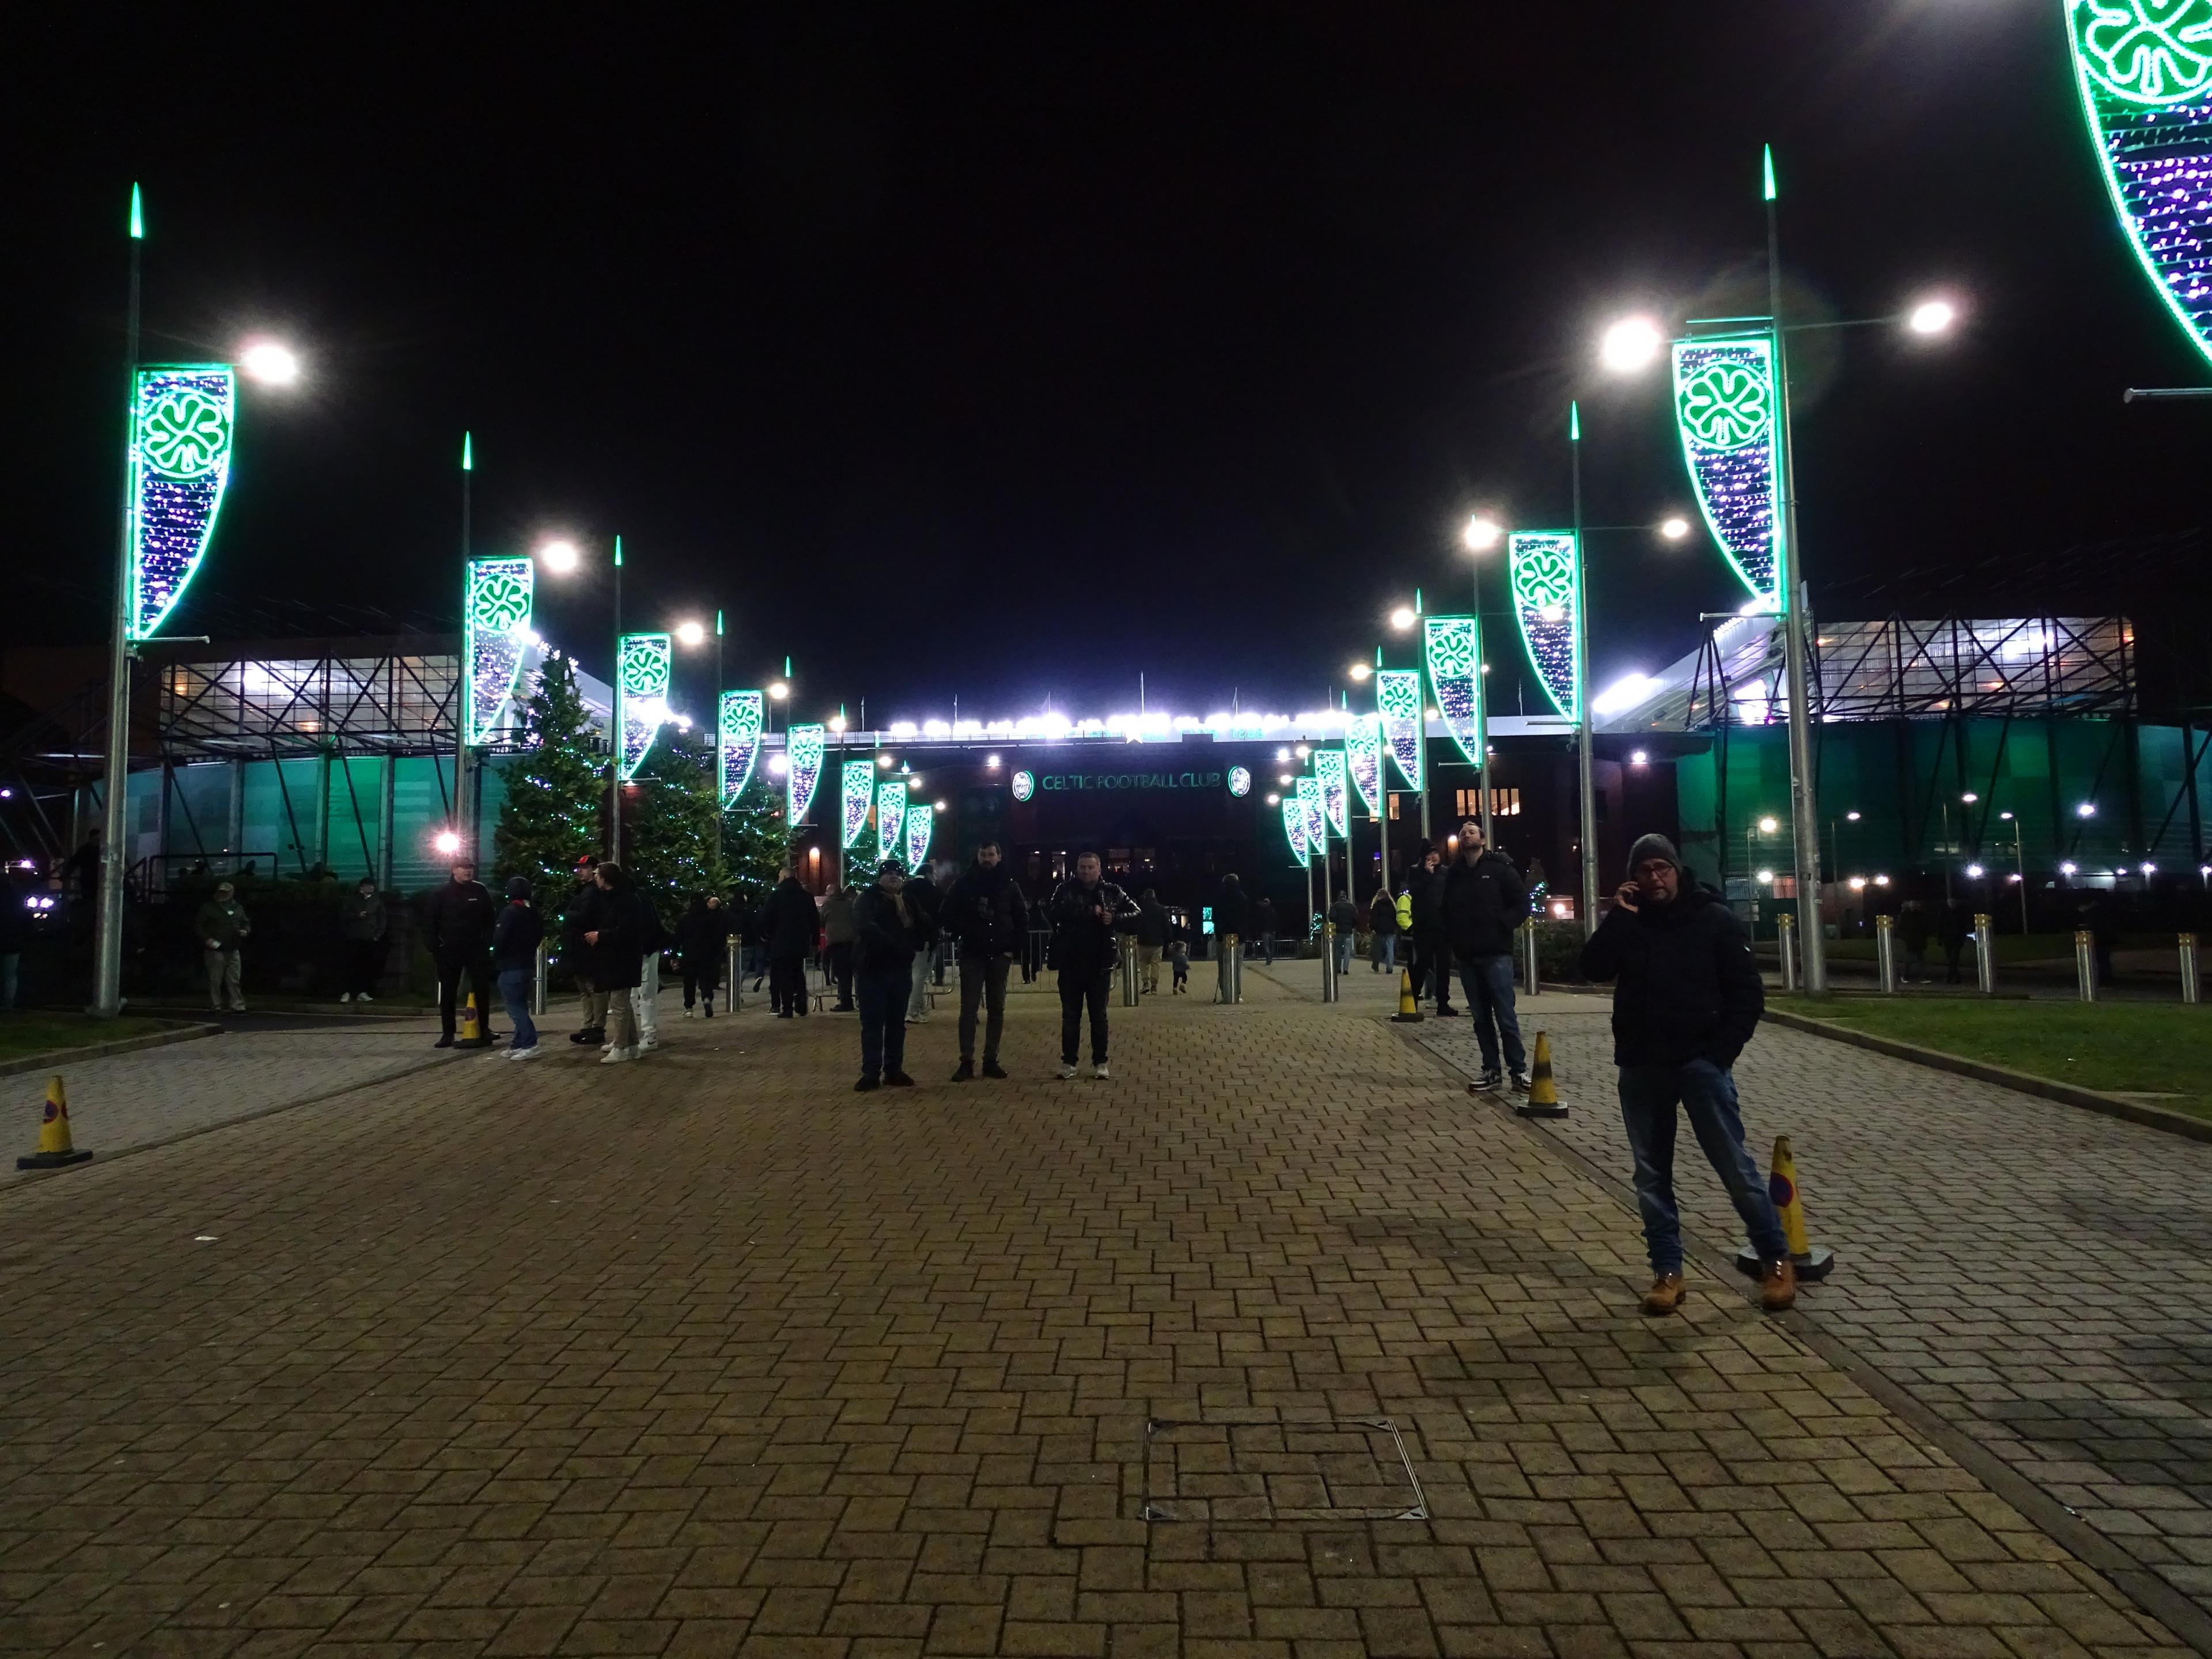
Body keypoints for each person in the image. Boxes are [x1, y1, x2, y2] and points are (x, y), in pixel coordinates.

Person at [1581, 833, 1794, 1315]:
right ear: (1632, 878)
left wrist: (1718, 1055)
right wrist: (1619, 916)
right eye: (1644, 871)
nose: (1654, 879)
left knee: (1734, 1168)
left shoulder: (1713, 919)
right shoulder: (1629, 922)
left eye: (1662, 868)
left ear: (1677, 869)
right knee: (1651, 1176)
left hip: (1700, 1065)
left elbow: (1747, 995)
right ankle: (1667, 1272)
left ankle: (1776, 1259)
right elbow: (1591, 968)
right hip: (1641, 1064)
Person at [1442, 819, 1529, 1091]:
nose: (1466, 836)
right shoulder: (1454, 874)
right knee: (1480, 1019)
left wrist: (1502, 924)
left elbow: (1522, 902)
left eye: (1472, 832)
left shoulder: (1500, 869)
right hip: (1468, 956)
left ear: (1482, 840)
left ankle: (1519, 1071)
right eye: (1462, 833)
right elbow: (1445, 909)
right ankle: (1491, 1070)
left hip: (1496, 955)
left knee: (1506, 1016)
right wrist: (1455, 937)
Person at [940, 838, 1030, 1080]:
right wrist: (966, 931)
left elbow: (1022, 918)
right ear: (977, 856)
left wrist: (1013, 949)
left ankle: (991, 1060)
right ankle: (966, 1061)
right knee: (968, 1010)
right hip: (973, 954)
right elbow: (946, 914)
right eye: (983, 854)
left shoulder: (1010, 886)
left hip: (1000, 955)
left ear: (999, 857)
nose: (987, 859)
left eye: (991, 854)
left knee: (997, 1009)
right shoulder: (964, 884)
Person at [1050, 852, 1135, 1077]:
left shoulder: (1112, 892)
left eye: (1090, 867)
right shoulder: (1065, 890)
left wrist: (1115, 918)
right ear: (1076, 869)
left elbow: (1136, 913)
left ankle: (1101, 1062)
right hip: (1070, 963)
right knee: (1070, 1016)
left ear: (1099, 869)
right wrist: (1089, 912)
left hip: (1100, 963)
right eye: (1082, 867)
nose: (1086, 871)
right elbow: (1054, 912)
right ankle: (1069, 1063)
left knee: (1099, 1016)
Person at [851, 858, 921, 1091]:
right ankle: (871, 1072)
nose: (894, 877)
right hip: (872, 970)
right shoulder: (867, 899)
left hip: (900, 971)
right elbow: (866, 926)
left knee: (896, 1024)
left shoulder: (908, 901)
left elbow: (921, 924)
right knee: (872, 1024)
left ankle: (894, 1070)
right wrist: (895, 945)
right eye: (889, 873)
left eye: (898, 874)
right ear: (880, 877)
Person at [423, 859, 498, 1048]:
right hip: (449, 950)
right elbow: (430, 921)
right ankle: (448, 1033)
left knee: (481, 989)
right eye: (463, 868)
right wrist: (435, 946)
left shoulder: (479, 890)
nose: (468, 872)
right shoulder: (441, 893)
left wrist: (487, 943)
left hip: (475, 949)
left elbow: (490, 919)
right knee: (448, 992)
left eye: (470, 868)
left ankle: (484, 1029)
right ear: (454, 870)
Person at [584, 862, 644, 1062]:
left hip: (623, 959)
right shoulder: (616, 898)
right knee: (622, 1004)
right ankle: (632, 1045)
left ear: (606, 879)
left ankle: (620, 1047)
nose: (596, 879)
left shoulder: (626, 900)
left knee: (619, 1004)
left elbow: (627, 930)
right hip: (616, 958)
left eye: (598, 876)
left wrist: (601, 935)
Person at [493, 877, 544, 1060]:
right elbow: (539, 934)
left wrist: (495, 954)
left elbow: (500, 939)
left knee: (515, 1008)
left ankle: (530, 1043)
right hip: (528, 964)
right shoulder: (533, 912)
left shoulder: (509, 912)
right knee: (521, 1005)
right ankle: (518, 1043)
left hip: (511, 965)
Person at [1408, 846, 1456, 1017]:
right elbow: (1414, 891)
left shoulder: (1447, 872)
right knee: (1422, 963)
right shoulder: (1415, 872)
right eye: (1429, 854)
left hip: (1443, 926)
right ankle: (1411, 1001)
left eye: (1435, 853)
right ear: (1423, 858)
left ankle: (1443, 1003)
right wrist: (1428, 876)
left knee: (1444, 966)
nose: (1433, 857)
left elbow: (1452, 894)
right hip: (1424, 926)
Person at [563, 857, 607, 1045]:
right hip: (579, 948)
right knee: (584, 989)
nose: (580, 871)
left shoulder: (593, 892)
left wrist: (569, 914)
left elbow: (585, 916)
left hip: (589, 948)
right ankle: (588, 1026)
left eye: (585, 868)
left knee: (594, 988)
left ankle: (597, 1027)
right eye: (579, 868)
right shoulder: (584, 892)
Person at [764, 866, 817, 1017]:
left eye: (780, 876)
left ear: (786, 877)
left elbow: (767, 918)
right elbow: (814, 919)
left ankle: (787, 1008)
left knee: (784, 975)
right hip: (800, 942)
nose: (778, 878)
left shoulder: (777, 896)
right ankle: (801, 1000)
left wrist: (768, 934)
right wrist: (814, 940)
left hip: (781, 942)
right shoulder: (806, 896)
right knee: (798, 971)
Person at [195, 879, 251, 1014]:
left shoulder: (238, 908)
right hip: (215, 949)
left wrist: (246, 930)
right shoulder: (208, 908)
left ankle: (237, 1004)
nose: (223, 894)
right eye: (221, 892)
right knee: (216, 978)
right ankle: (216, 1004)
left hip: (233, 947)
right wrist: (207, 939)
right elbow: (198, 926)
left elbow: (245, 922)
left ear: (232, 893)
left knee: (234, 978)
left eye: (226, 892)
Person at [905, 863, 947, 1024]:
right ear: (930, 874)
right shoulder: (933, 891)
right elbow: (942, 913)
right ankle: (913, 1011)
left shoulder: (905, 888)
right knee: (920, 974)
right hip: (926, 937)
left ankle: (920, 1007)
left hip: (906, 937)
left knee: (913, 972)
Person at [678, 894, 730, 1017]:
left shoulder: (684, 918)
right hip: (707, 955)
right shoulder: (711, 918)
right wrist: (717, 952)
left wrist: (674, 955)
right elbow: (718, 937)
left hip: (689, 954)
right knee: (706, 980)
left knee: (689, 982)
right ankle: (707, 998)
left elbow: (678, 938)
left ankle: (689, 1007)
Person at [338, 877, 386, 1003]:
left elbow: (382, 919)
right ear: (361, 887)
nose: (370, 888)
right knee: (351, 965)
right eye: (367, 885)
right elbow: (344, 917)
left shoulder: (377, 901)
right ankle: (347, 992)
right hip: (354, 936)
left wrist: (378, 935)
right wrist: (357, 917)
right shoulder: (352, 900)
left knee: (367, 966)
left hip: (370, 938)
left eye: (371, 885)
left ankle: (362, 992)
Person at [632, 888, 666, 1050]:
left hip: (644, 950)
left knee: (645, 991)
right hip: (641, 950)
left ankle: (649, 1035)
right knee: (634, 994)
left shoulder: (635, 898)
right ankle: (631, 1036)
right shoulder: (637, 896)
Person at [821, 884, 857, 1010]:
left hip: (836, 942)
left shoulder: (829, 903)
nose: (826, 893)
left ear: (832, 892)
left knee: (841, 973)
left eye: (827, 890)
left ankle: (845, 1002)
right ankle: (847, 1000)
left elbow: (822, 919)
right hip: (850, 941)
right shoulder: (849, 903)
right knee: (848, 972)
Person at [0, 863, 26, 1010]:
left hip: (7, 937)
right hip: (13, 940)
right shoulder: (16, 896)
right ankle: (9, 1003)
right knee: (11, 974)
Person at [1134, 887, 1169, 995]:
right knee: (1155, 964)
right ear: (1154, 896)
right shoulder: (1161, 909)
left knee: (1143, 963)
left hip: (1143, 941)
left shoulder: (1140, 909)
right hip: (1157, 942)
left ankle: (1145, 984)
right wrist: (1169, 938)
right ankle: (1154, 986)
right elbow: (1166, 926)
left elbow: (1135, 923)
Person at [1369, 880, 1400, 973]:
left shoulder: (1377, 905)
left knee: (1377, 948)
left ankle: (1376, 966)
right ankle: (1390, 968)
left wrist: (1373, 928)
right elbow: (1395, 917)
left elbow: (1373, 918)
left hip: (1379, 929)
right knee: (1390, 948)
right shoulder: (1392, 905)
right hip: (1390, 929)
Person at [1896, 898, 1931, 983]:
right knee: (1910, 960)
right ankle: (1906, 975)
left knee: (1920, 960)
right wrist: (1905, 937)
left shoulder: (1920, 915)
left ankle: (1921, 977)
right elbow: (1900, 928)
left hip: (1918, 940)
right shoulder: (1906, 915)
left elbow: (1926, 927)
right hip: (1911, 940)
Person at [1938, 897, 1971, 985]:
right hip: (1949, 939)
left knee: (1953, 959)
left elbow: (1963, 928)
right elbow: (1941, 927)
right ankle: (1955, 976)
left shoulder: (1957, 914)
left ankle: (1952, 976)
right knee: (1952, 959)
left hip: (1955, 940)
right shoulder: (1947, 914)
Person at [1328, 890, 1357, 978]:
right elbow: (1356, 918)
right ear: (1346, 897)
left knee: (1338, 950)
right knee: (1347, 950)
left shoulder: (1335, 906)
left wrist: (1336, 925)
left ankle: (1338, 968)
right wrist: (1351, 926)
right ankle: (1346, 969)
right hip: (1348, 931)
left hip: (1339, 931)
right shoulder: (1352, 906)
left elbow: (1332, 917)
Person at [1255, 895, 1277, 965]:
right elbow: (1276, 920)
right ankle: (1271, 957)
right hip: (1272, 930)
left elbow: (1259, 921)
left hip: (1264, 930)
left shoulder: (1261, 911)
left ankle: (1269, 958)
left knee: (1266, 946)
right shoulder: (1272, 910)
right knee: (1271, 946)